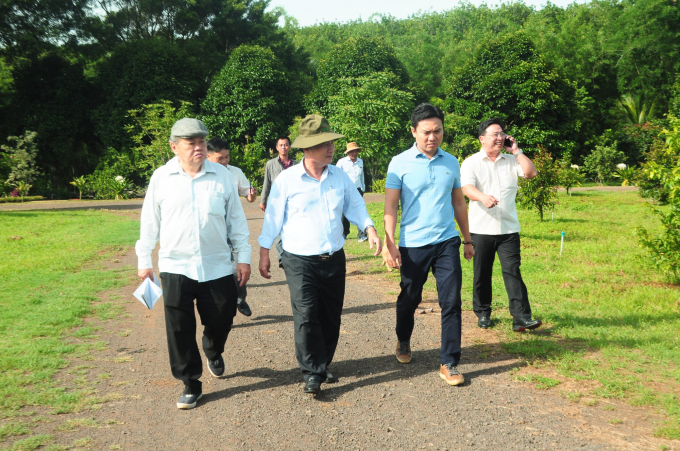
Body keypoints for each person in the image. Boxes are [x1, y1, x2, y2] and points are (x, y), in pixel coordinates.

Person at [258, 114, 382, 395]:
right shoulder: (287, 180)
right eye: (323, 143)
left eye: (331, 142)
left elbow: (355, 206)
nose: (331, 148)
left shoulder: (339, 176)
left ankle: (323, 362)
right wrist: (264, 251)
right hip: (299, 260)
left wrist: (370, 228)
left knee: (330, 315)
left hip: (333, 258)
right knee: (306, 315)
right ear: (306, 148)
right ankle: (312, 371)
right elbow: (273, 219)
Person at [135, 118, 251, 409]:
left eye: (201, 141)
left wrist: (244, 257)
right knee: (179, 327)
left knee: (223, 317)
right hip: (176, 266)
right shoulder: (161, 178)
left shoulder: (222, 176)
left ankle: (213, 349)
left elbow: (236, 220)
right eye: (191, 142)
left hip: (217, 265)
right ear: (174, 147)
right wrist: (144, 259)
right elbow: (150, 221)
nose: (198, 147)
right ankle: (191, 382)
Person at [383, 103, 474, 387]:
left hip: (447, 241)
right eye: (426, 132)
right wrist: (389, 244)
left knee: (452, 301)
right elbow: (390, 206)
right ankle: (403, 338)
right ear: (413, 131)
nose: (432, 137)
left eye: (437, 131)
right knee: (409, 298)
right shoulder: (399, 162)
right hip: (413, 244)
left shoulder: (451, 161)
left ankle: (449, 361)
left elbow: (459, 202)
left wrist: (467, 239)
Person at [460, 118, 541, 333]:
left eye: (502, 133)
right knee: (482, 273)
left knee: (513, 272)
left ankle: (521, 317)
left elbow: (531, 173)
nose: (499, 137)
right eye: (495, 134)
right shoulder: (471, 162)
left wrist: (516, 151)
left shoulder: (511, 160)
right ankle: (483, 312)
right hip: (481, 229)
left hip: (508, 229)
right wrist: (482, 197)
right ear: (482, 138)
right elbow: (467, 188)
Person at [206, 137, 257, 317]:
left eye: (227, 157)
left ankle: (240, 299)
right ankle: (218, 311)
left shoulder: (235, 172)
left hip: (232, 228)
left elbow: (248, 196)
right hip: (213, 231)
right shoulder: (202, 176)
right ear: (207, 156)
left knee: (239, 269)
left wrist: (252, 195)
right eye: (220, 158)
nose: (225, 161)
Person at [259, 137, 297, 267]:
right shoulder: (271, 164)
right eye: (281, 145)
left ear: (289, 147)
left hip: (293, 201)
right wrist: (263, 201)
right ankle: (282, 258)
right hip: (276, 201)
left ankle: (292, 254)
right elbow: (266, 183)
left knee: (292, 228)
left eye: (286, 145)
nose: (284, 147)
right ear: (277, 147)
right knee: (279, 229)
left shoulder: (296, 165)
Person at [336, 142, 367, 242]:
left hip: (357, 189)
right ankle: (344, 233)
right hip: (345, 189)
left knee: (359, 210)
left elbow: (361, 176)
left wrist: (363, 187)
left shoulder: (360, 162)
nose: (354, 153)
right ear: (348, 152)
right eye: (351, 151)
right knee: (344, 212)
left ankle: (362, 235)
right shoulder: (341, 162)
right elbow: (336, 175)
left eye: (355, 151)